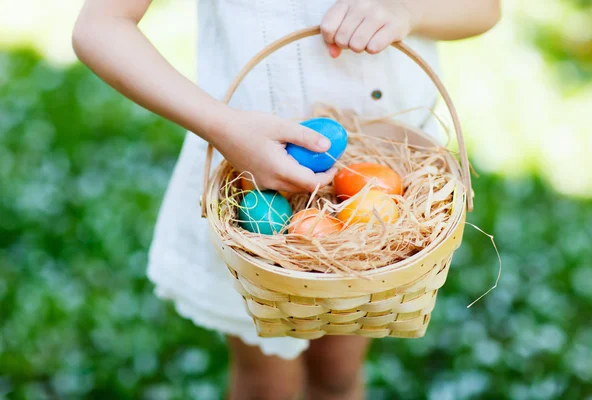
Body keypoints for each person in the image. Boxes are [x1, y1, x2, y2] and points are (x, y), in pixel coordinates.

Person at [72, 1, 500, 399]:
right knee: (265, 383)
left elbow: (485, 8)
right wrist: (223, 126)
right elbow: (100, 26)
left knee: (339, 371)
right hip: (246, 179)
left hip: (385, 177)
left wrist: (409, 8)